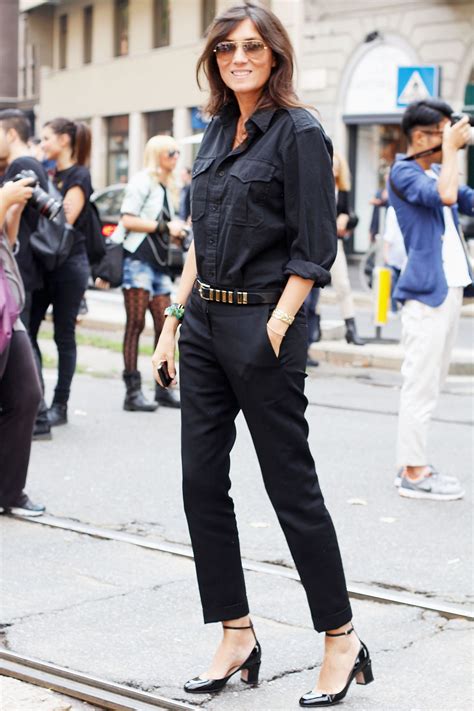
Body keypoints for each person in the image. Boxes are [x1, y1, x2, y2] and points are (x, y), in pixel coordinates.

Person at [152, 3, 373, 707]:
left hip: (263, 325)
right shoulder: (216, 128)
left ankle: (340, 637)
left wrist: (278, 323)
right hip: (204, 324)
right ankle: (236, 631)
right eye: (225, 49)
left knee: (290, 488)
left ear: (276, 54)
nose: (238, 57)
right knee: (198, 483)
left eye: (251, 47)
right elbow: (199, 238)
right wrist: (172, 320)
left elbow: (315, 247)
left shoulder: (301, 133)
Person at [389, 98, 473, 501]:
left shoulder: (440, 167)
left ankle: (413, 459)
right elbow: (444, 195)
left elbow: (464, 195)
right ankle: (413, 472)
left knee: (433, 383)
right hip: (426, 294)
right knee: (419, 384)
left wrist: (453, 152)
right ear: (421, 137)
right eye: (443, 131)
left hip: (451, 290)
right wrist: (453, 151)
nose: (450, 137)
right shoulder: (403, 173)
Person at [105, 135, 187, 411]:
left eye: (177, 153)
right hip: (137, 261)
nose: (176, 158)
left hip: (160, 265)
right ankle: (132, 392)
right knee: (135, 324)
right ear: (156, 155)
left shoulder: (169, 186)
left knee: (165, 327)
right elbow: (127, 219)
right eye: (170, 153)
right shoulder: (143, 181)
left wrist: (175, 233)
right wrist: (166, 227)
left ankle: (162, 386)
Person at [28, 118, 92, 427]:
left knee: (63, 336)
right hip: (44, 266)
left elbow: (63, 219)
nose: (42, 145)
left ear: (64, 140)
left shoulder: (79, 175)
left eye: (46, 139)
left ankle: (60, 404)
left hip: (69, 265)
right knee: (27, 331)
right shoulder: (49, 172)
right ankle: (35, 398)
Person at [0, 109, 51, 440]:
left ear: (11, 134)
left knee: (25, 355)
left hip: (14, 279)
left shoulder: (21, 166)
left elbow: (10, 237)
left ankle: (40, 416)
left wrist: (11, 207)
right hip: (14, 279)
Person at [0, 178, 44, 516]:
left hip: (7, 311)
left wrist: (12, 211)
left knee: (27, 394)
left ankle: (9, 491)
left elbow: (7, 243)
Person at [314, 152, 364, 346]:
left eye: (337, 166)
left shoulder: (342, 191)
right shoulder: (317, 186)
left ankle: (351, 328)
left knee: (343, 284)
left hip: (336, 243)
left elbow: (352, 215)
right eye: (331, 165)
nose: (334, 169)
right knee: (315, 287)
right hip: (317, 243)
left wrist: (346, 219)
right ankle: (314, 327)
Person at [382, 205, 406, 314]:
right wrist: (386, 253)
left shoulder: (392, 210)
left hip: (400, 253)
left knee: (395, 282)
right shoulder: (392, 210)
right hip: (399, 253)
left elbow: (389, 233)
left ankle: (396, 307)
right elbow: (389, 233)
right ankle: (396, 307)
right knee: (393, 282)